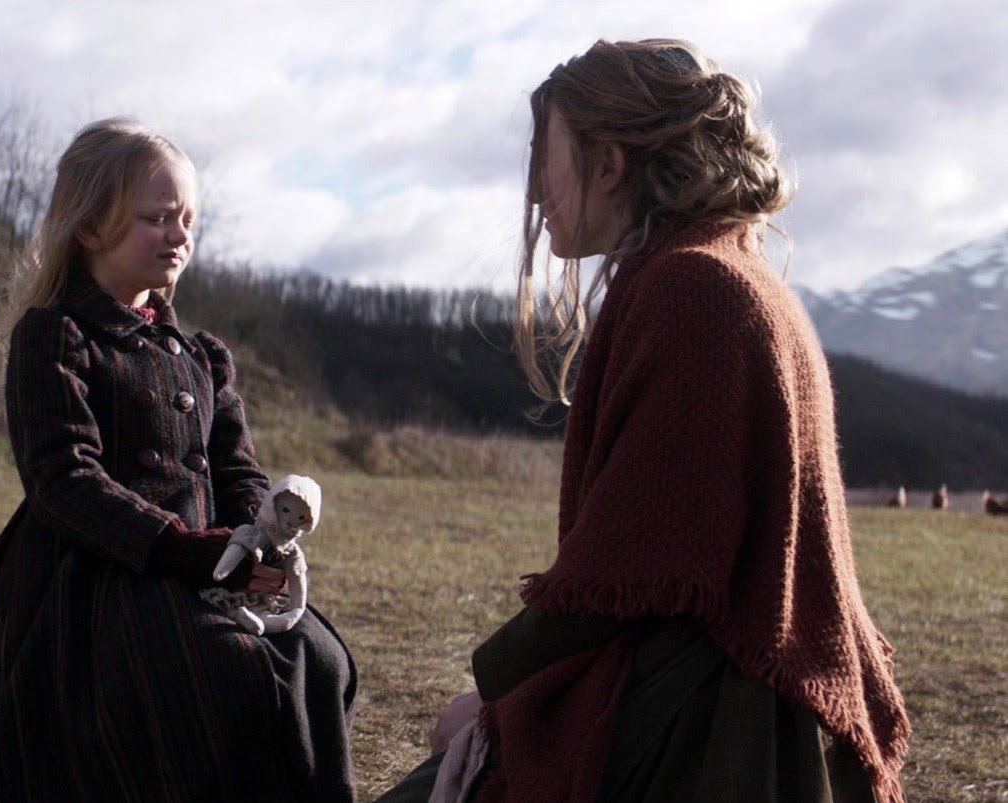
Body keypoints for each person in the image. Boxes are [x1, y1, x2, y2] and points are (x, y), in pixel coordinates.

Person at [376, 39, 908, 803]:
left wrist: (497, 691)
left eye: (546, 157)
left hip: (713, 731)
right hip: (706, 689)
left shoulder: (695, 287)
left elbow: (627, 571)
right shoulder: (719, 269)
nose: (535, 191)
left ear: (608, 163)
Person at [0, 118, 357, 803]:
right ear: (89, 228)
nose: (178, 234)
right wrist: (181, 548)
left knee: (322, 659)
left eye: (187, 219)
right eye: (156, 218)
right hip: (99, 579)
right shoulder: (55, 336)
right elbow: (63, 480)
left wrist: (267, 530)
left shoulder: (204, 356)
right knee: (221, 676)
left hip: (211, 569)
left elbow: (235, 467)